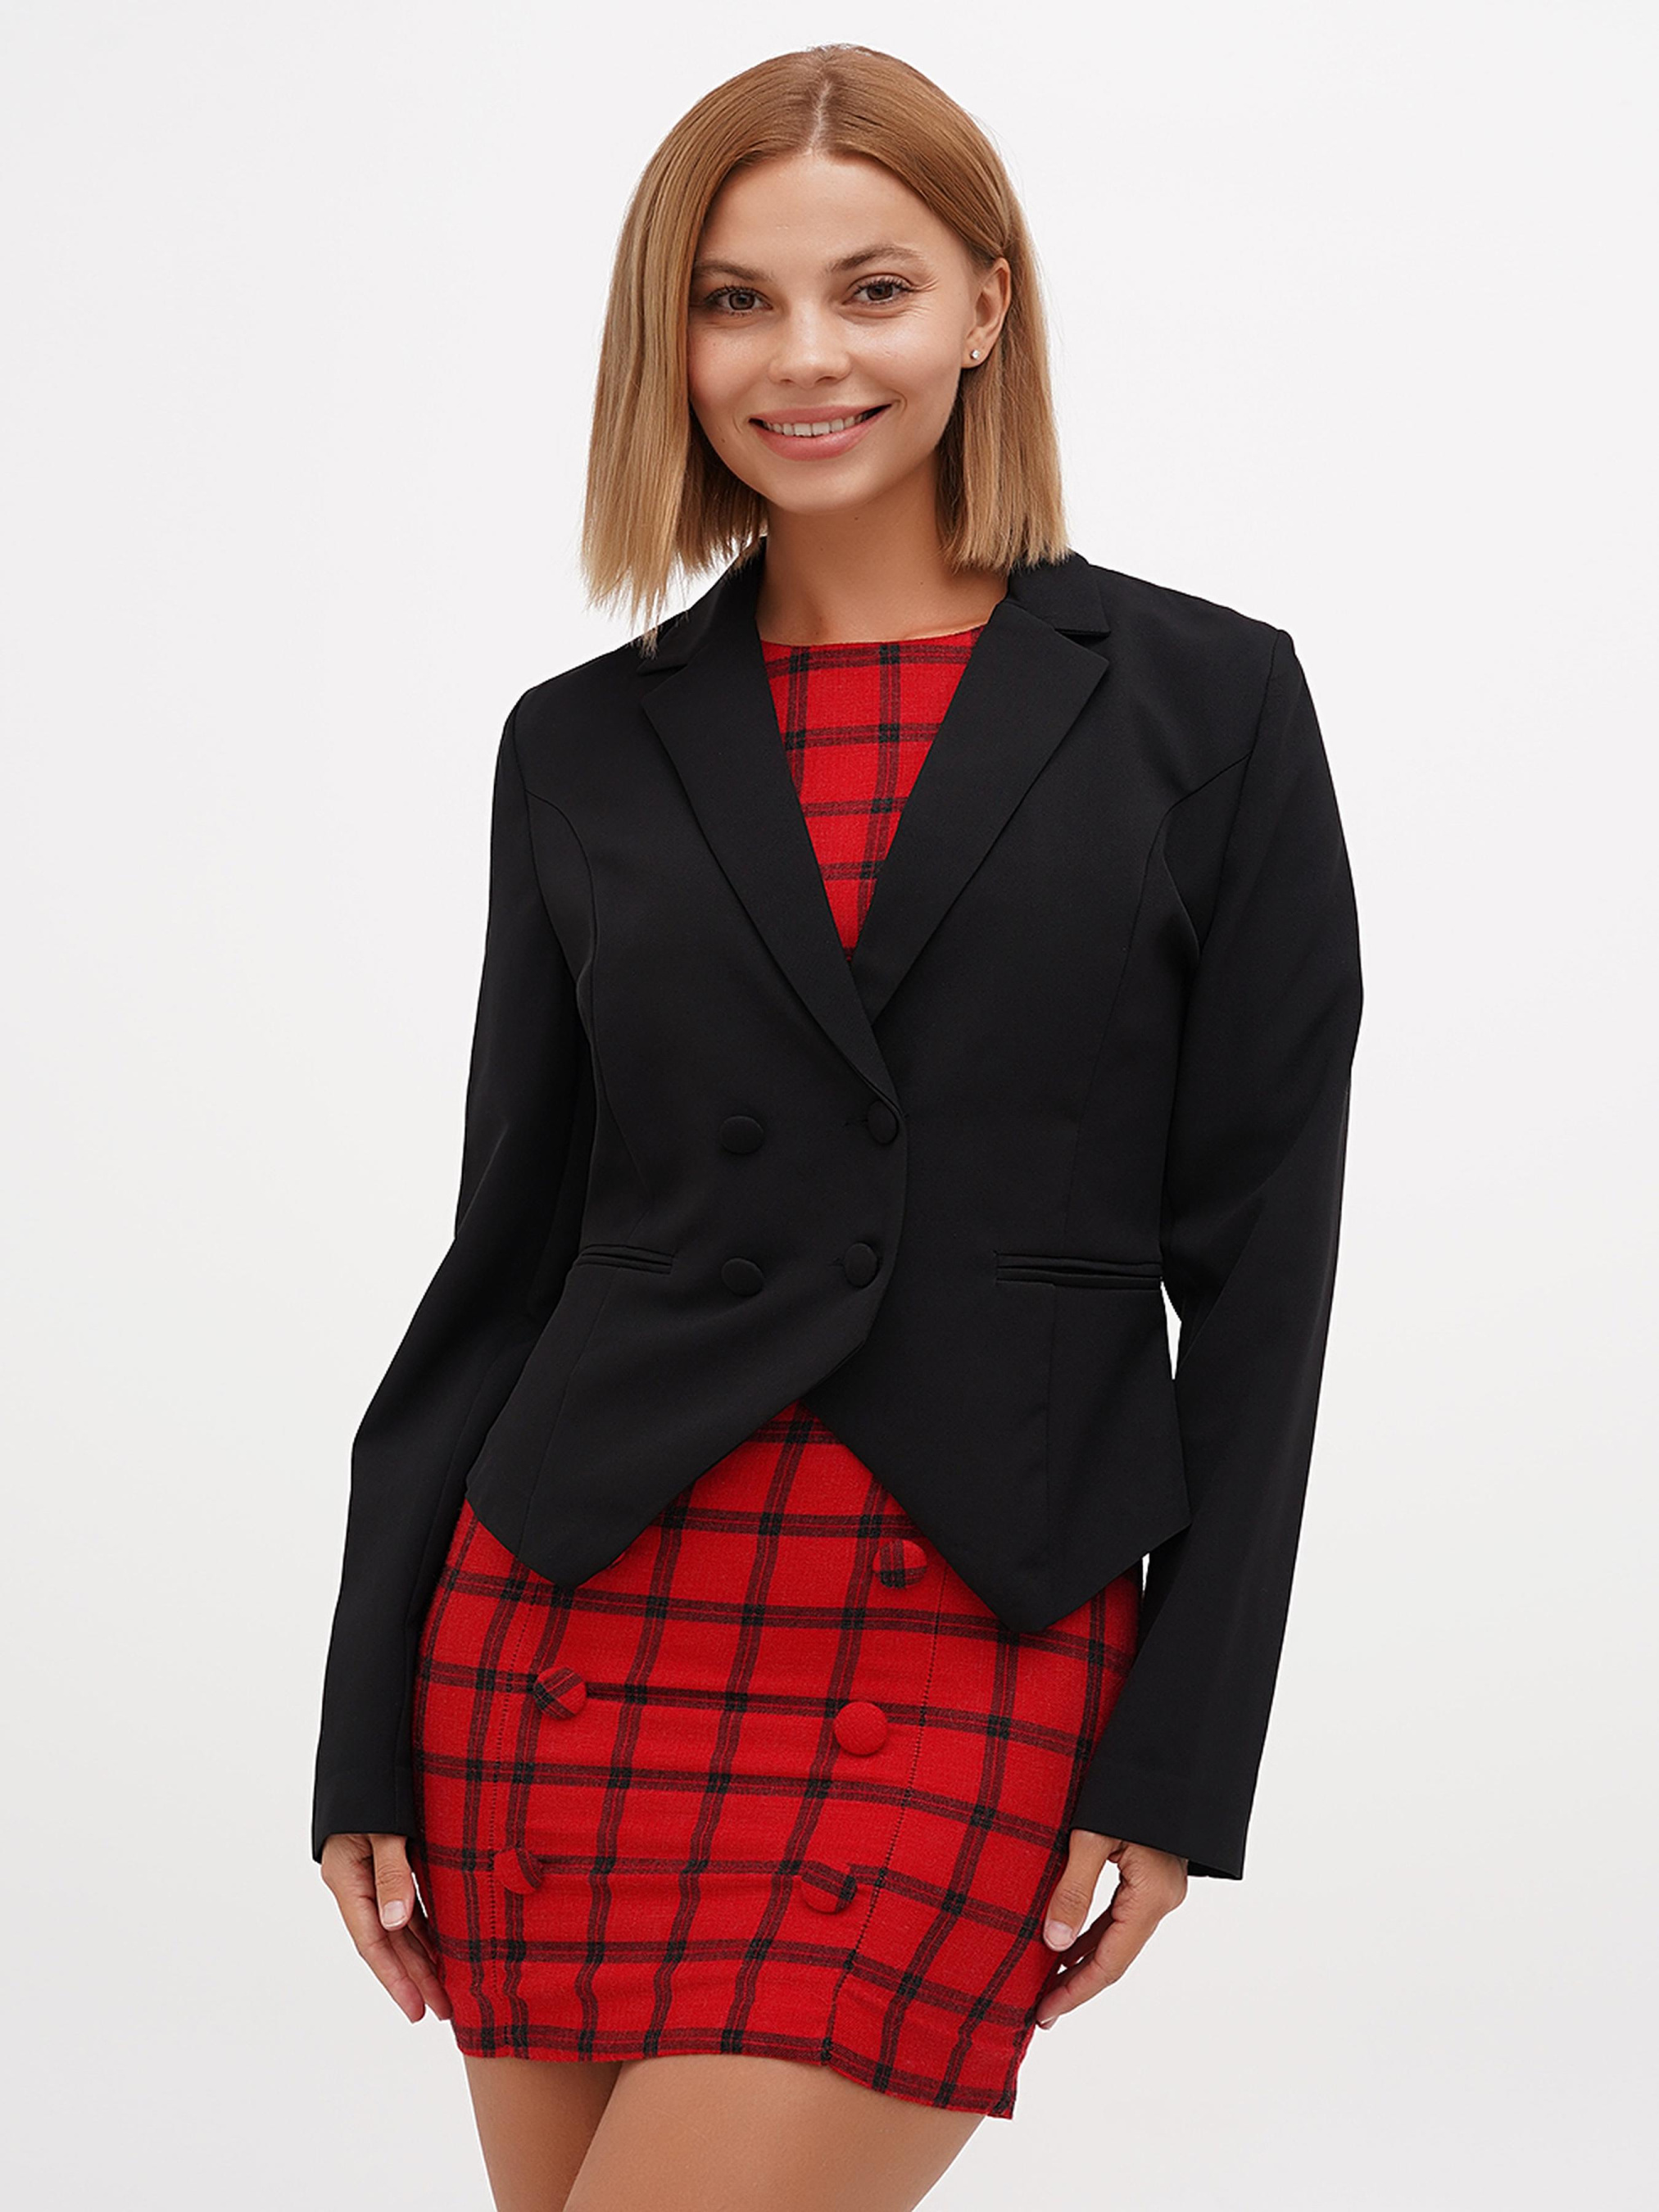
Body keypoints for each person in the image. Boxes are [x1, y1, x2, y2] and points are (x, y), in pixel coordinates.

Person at [312, 42, 1363, 2212]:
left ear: (987, 304)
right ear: (670, 340)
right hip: (569, 1630)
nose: (803, 356)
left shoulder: (1208, 707)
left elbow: (1264, 1271)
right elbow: (505, 1254)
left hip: (973, 1620)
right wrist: (358, 1726)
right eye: (735, 300)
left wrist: (1183, 1753)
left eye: (870, 289)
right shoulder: (580, 747)